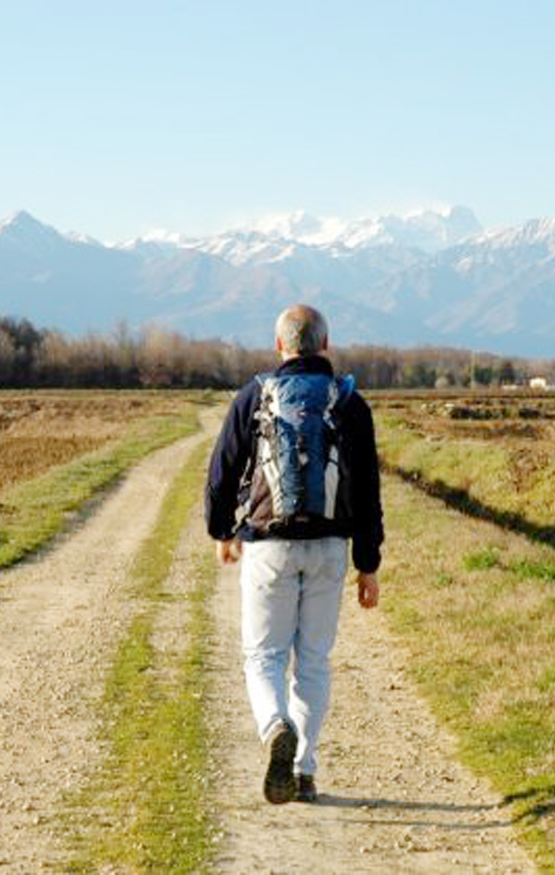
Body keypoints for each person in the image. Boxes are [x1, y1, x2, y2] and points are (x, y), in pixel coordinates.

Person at [205, 304, 383, 804]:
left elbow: (221, 472)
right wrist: (368, 565)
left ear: (279, 347)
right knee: (313, 661)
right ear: (325, 346)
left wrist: (223, 531)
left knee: (263, 655)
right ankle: (304, 771)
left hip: (269, 546)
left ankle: (274, 727)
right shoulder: (350, 404)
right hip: (330, 547)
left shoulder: (254, 396)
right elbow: (368, 492)